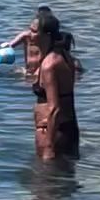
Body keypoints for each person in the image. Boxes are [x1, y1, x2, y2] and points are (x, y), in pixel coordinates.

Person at [32, 13, 80, 161]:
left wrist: (48, 147)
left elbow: (54, 109)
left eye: (34, 31)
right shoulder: (64, 55)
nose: (30, 35)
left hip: (53, 134)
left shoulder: (50, 65)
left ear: (46, 35)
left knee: (45, 182)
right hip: (67, 129)